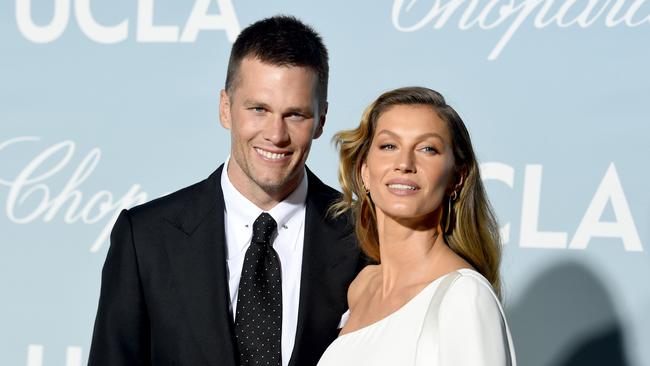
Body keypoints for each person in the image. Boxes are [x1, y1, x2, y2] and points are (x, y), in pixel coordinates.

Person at [88, 16, 363, 366]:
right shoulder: (146, 238)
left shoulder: (363, 236)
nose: (275, 134)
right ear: (225, 109)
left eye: (295, 115)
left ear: (321, 120)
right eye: (259, 109)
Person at [317, 87, 516, 365]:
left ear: (456, 178)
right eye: (389, 146)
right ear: (364, 171)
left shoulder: (465, 297)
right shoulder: (361, 287)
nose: (405, 163)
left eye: (427, 149)